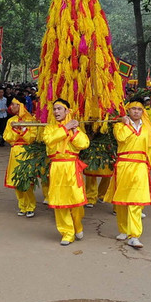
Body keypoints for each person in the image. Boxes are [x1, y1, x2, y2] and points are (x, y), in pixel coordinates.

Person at [104, 98, 151, 249]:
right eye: (133, 109)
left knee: (136, 201)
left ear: (143, 111)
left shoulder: (147, 129)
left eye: (139, 109)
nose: (136, 112)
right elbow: (121, 138)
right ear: (128, 111)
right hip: (124, 165)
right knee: (122, 201)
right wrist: (126, 124)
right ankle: (123, 229)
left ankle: (134, 235)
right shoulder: (119, 126)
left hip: (140, 167)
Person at [42, 99, 90, 245]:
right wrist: (65, 128)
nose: (56, 112)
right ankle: (67, 232)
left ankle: (77, 225)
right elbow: (49, 140)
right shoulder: (50, 128)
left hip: (72, 167)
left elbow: (84, 144)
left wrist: (74, 131)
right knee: (59, 201)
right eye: (54, 109)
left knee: (76, 201)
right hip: (57, 167)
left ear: (67, 111)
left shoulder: (76, 127)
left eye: (59, 109)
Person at [3, 98, 38, 217]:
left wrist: (23, 131)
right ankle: (22, 206)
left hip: (27, 152)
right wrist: (15, 131)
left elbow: (31, 138)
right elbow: (7, 137)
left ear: (21, 106)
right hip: (15, 152)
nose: (11, 106)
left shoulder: (31, 120)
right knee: (17, 180)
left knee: (27, 180)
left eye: (14, 104)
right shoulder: (11, 121)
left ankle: (30, 206)